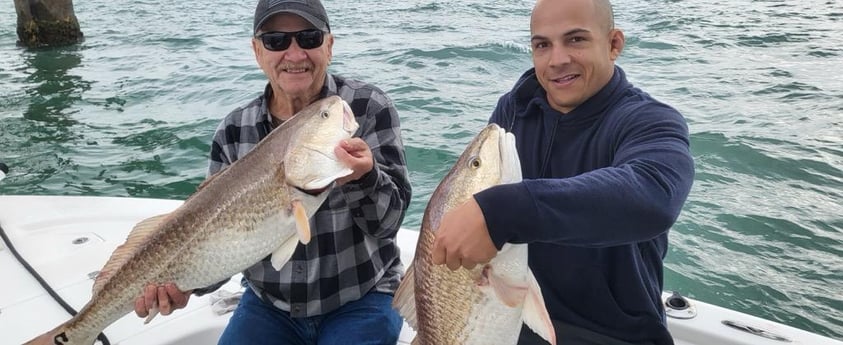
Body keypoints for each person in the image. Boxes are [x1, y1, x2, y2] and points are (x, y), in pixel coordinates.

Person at [132, 0, 412, 344]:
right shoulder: (233, 131)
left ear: (329, 45)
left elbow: (388, 225)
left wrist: (364, 179)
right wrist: (182, 286)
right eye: (276, 41)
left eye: (308, 38)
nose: (294, 55)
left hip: (361, 295)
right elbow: (216, 238)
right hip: (270, 304)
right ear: (256, 50)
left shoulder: (366, 108)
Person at [431, 0, 695, 344]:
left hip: (613, 333)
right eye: (543, 45)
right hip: (511, 318)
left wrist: (504, 210)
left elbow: (653, 196)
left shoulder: (650, 121)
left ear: (614, 44)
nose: (557, 60)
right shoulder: (514, 110)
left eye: (576, 40)